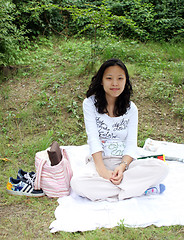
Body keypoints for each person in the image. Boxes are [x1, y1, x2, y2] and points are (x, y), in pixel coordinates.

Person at [71, 58, 168, 201]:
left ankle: (114, 191)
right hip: (99, 161)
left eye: (120, 78)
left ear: (126, 81)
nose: (115, 83)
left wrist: (122, 168)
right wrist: (102, 170)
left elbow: (131, 143)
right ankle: (138, 189)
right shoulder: (89, 104)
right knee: (77, 183)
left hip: (125, 164)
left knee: (162, 167)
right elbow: (93, 138)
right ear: (101, 80)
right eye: (109, 78)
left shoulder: (131, 108)